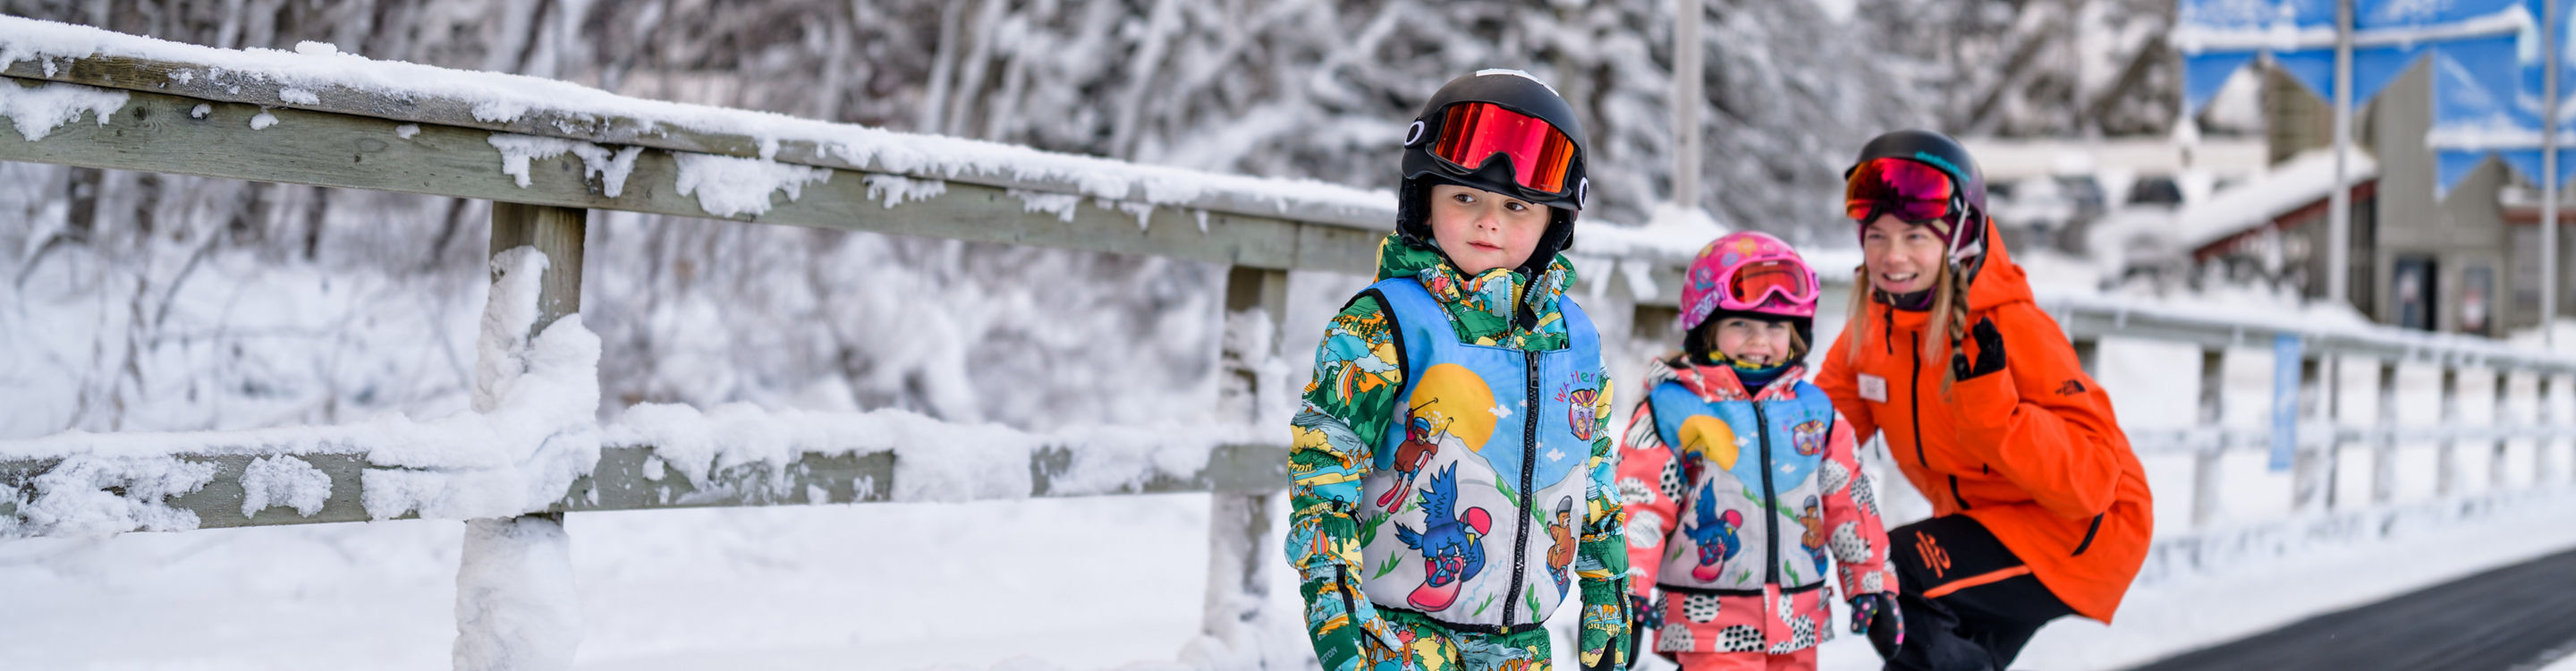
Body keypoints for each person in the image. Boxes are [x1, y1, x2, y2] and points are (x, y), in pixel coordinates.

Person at [1284, 69, 1631, 671]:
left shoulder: (1574, 339)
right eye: (1464, 197)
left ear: (1555, 222)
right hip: (1398, 640)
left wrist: (1608, 590)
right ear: (1424, 200)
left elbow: (1592, 470)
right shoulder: (1387, 322)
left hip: (1523, 646)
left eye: (1516, 207)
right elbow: (1325, 462)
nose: (1488, 222)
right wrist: (1331, 595)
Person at [1813, 130, 2153, 671]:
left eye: (1915, 237)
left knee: (1894, 570)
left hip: (2081, 530)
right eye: (1876, 236)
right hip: (1985, 525)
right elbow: (1813, 438)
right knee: (1914, 651)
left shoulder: (2011, 327)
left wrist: (1996, 420)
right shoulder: (1870, 332)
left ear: (1960, 237)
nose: (1892, 256)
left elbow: (2093, 483)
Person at [1616, 231, 1900, 670]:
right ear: (1707, 327)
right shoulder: (1675, 409)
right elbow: (1640, 506)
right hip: (1708, 622)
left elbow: (1849, 502)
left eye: (1775, 326)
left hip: (1798, 622)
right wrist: (1626, 595)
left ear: (1797, 333)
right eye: (1740, 324)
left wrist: (1872, 585)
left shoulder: (1815, 413)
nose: (1760, 341)